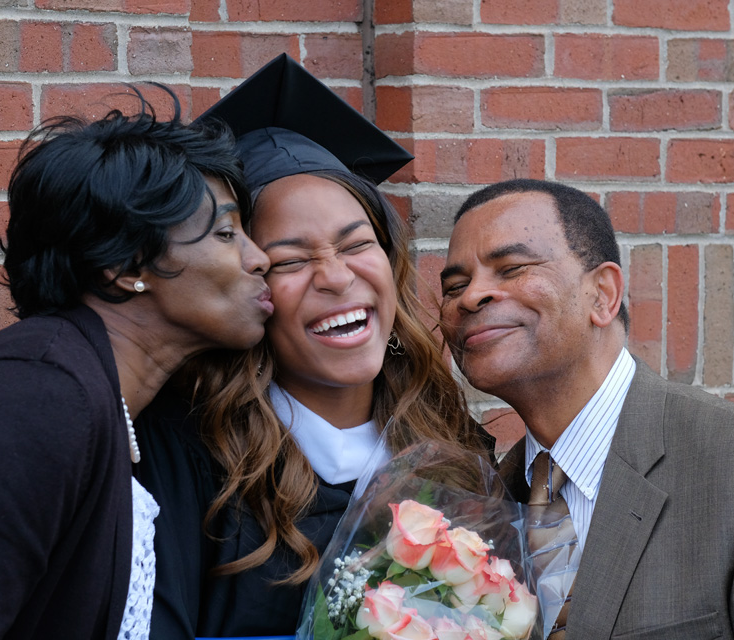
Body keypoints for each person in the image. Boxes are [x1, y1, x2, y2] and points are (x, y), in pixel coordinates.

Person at [0, 88, 273, 640]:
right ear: (125, 264)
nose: (261, 257)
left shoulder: (96, 397)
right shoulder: (32, 398)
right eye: (227, 233)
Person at [133, 54, 492, 639]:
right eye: (291, 261)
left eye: (356, 245)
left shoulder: (451, 441)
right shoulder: (187, 464)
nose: (335, 276)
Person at [438, 178, 734, 639]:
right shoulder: (477, 511)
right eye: (455, 285)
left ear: (603, 294)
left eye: (511, 268)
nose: (469, 297)